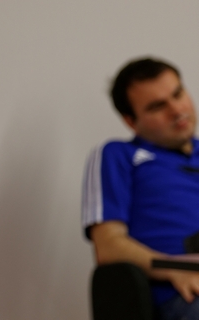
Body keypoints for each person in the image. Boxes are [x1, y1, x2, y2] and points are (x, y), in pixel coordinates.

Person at [82, 57, 199, 319]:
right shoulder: (118, 156)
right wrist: (173, 267)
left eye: (178, 94)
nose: (177, 110)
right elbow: (108, 246)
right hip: (182, 295)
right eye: (158, 106)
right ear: (131, 121)